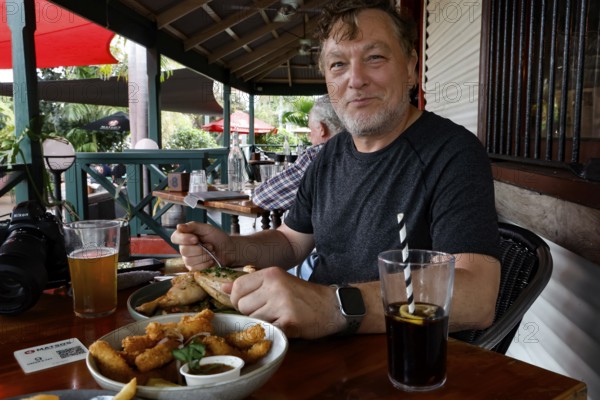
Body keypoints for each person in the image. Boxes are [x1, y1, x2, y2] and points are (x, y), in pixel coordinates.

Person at [172, 0, 501, 340]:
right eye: (338, 64)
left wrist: (334, 306)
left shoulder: (453, 153)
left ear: (411, 67)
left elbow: (476, 298)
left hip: (399, 356)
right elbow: (290, 242)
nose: (355, 79)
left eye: (375, 58)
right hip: (314, 342)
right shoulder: (328, 155)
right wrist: (232, 249)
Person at [252, 95, 344, 211]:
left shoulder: (317, 156)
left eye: (311, 130)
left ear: (322, 129)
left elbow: (262, 197)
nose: (309, 137)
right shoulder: (361, 149)